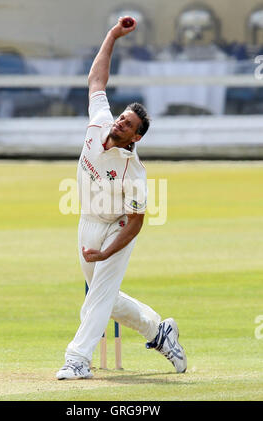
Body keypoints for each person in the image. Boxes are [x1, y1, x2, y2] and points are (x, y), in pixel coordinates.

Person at [56, 17, 187, 380]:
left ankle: (76, 359)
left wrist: (107, 252)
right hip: (87, 222)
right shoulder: (99, 120)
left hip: (117, 228)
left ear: (136, 138)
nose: (119, 124)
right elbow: (97, 80)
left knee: (97, 297)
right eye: (121, 118)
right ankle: (158, 331)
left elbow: (137, 223)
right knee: (106, 299)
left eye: (127, 125)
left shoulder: (134, 173)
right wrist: (113, 35)